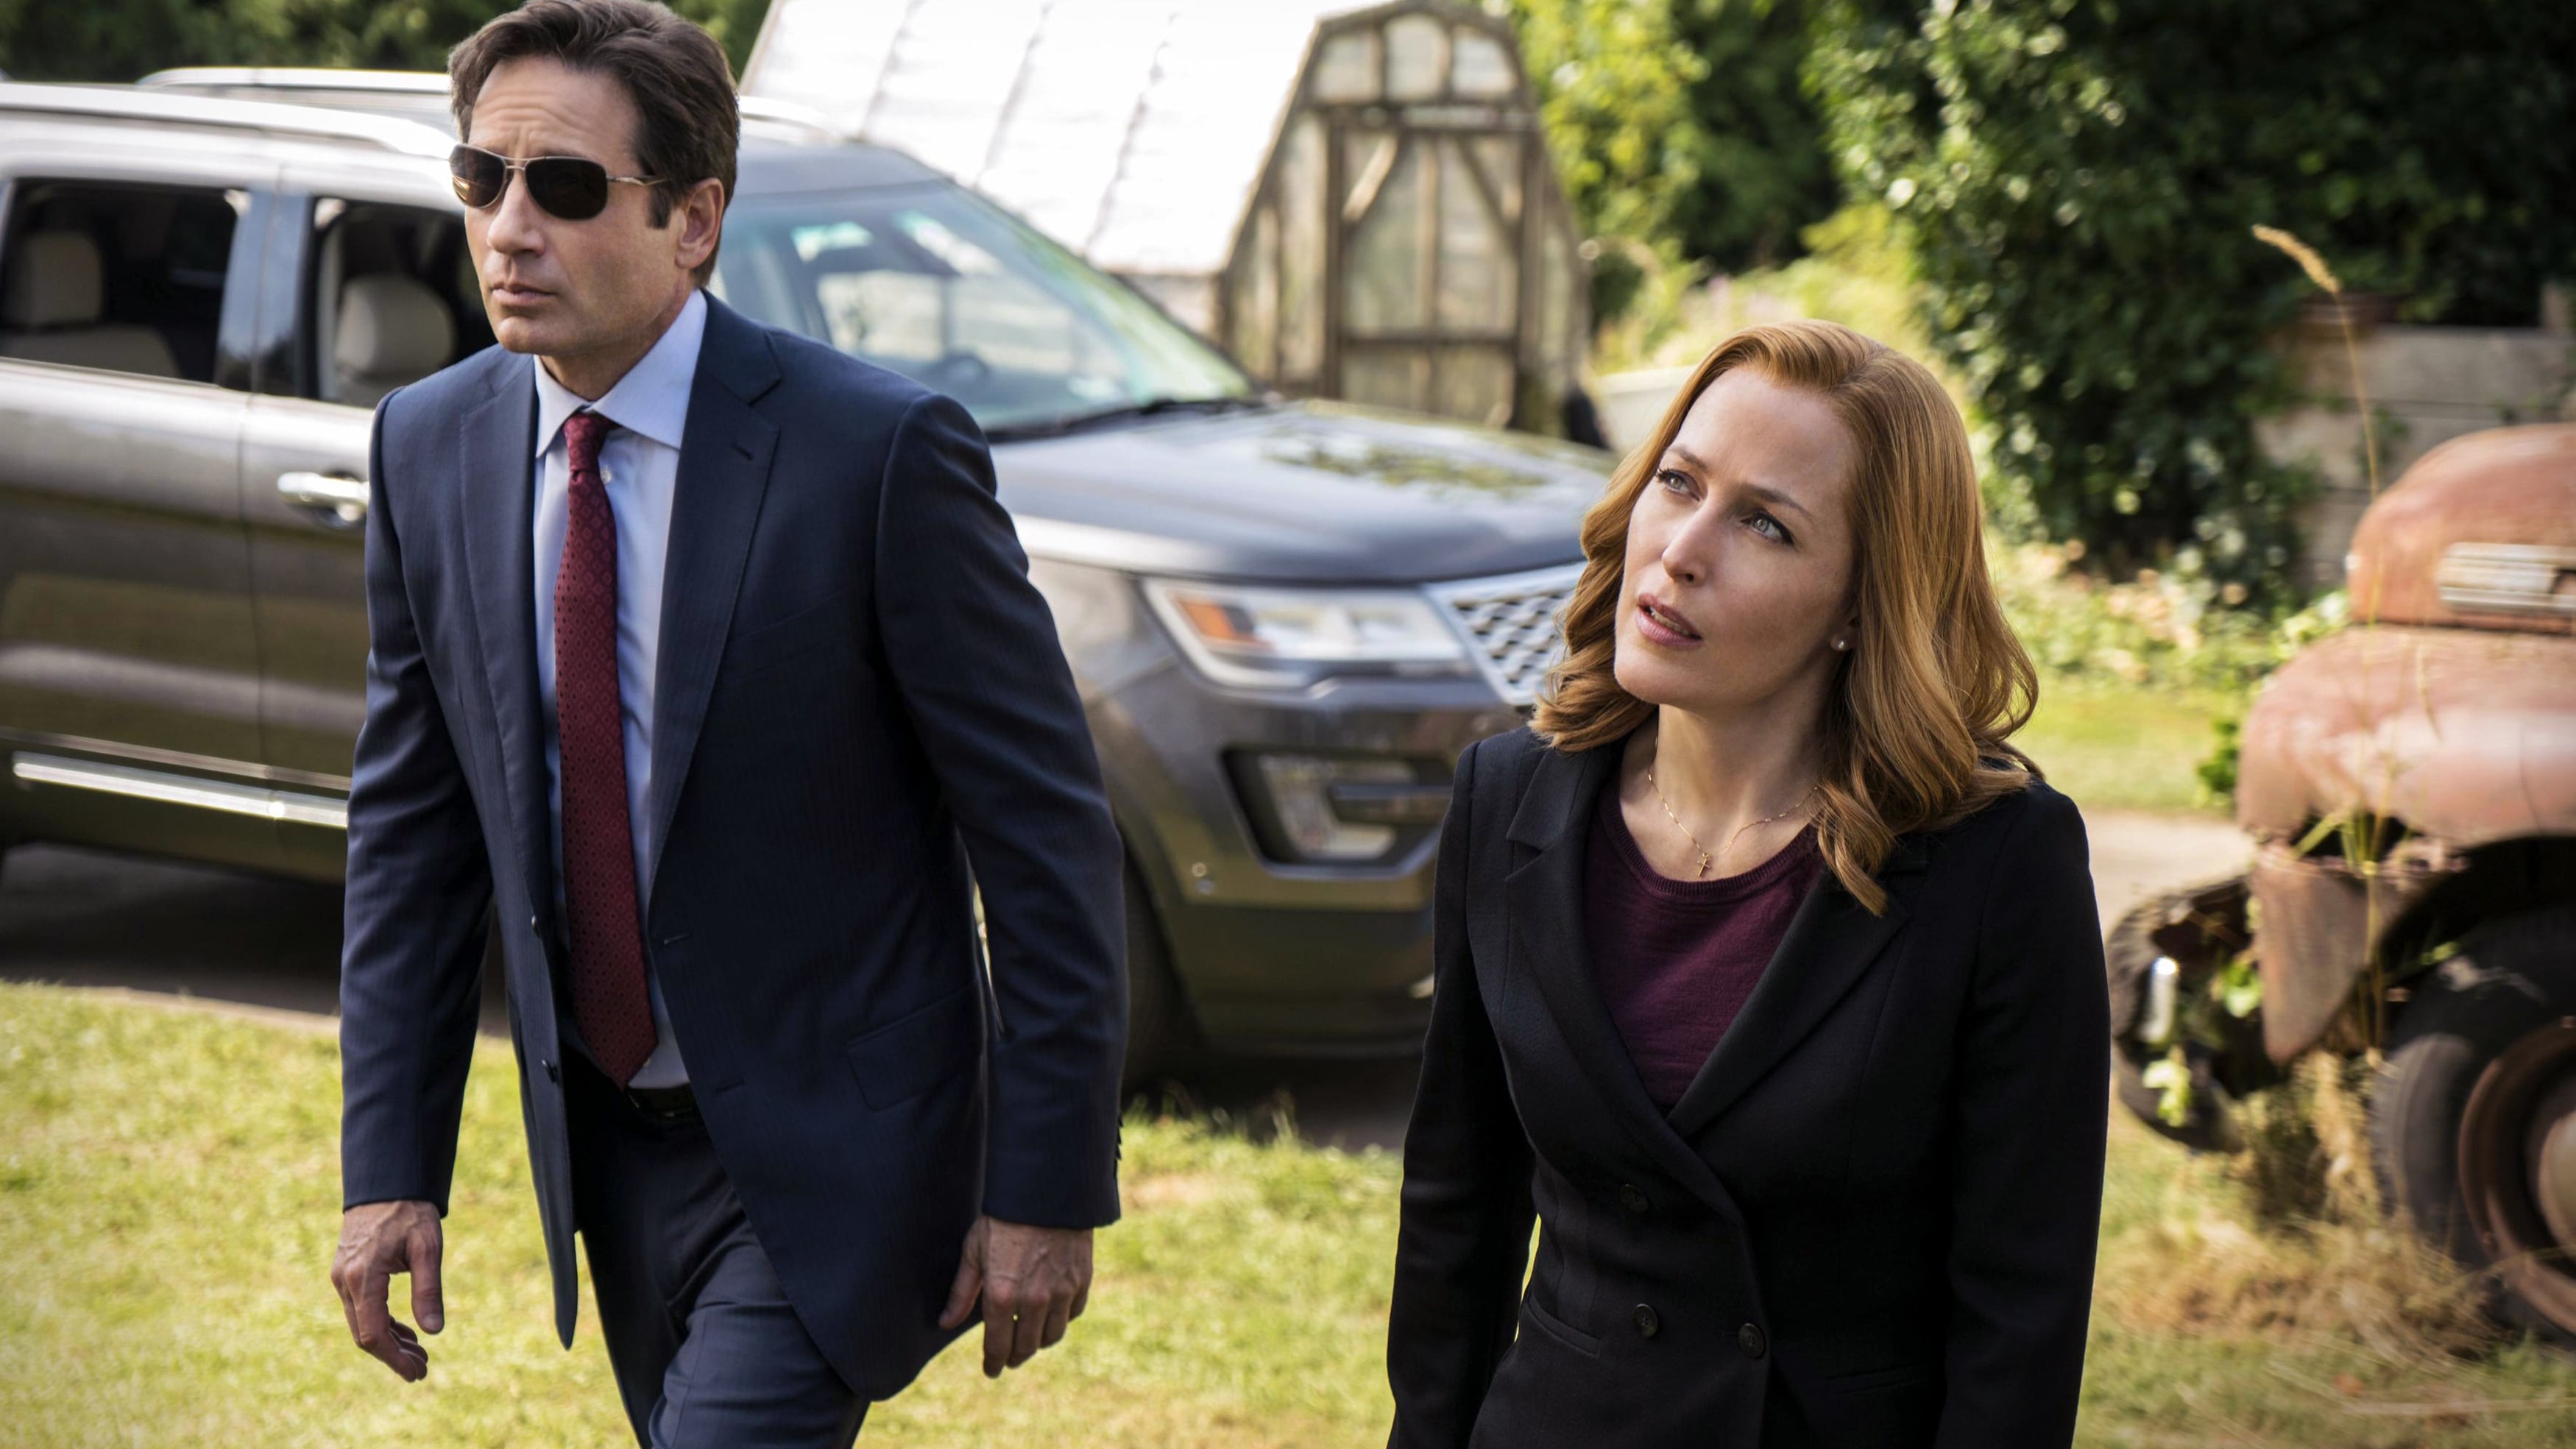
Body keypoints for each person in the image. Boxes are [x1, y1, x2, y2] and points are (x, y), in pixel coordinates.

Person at [325, 4, 1126, 1444]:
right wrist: (389, 1166)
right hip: (607, 1163)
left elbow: (1046, 835)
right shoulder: (426, 445)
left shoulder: (879, 454)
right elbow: (412, 834)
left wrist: (1049, 1181)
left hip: (838, 1155)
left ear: (693, 220)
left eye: (567, 187)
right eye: (481, 179)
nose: (509, 228)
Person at [1385, 320, 2110, 1448]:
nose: (1682, 549)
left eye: (1766, 523)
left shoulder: (1999, 863)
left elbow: (2021, 1314)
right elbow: (1456, 1213)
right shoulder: (1507, 796)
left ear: (1864, 603)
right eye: (1679, 482)